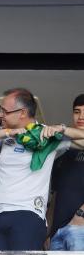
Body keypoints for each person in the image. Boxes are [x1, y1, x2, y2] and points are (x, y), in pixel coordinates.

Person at [0, 88, 84, 251]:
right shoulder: (7, 135)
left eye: (5, 111)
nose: (0, 115)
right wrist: (9, 133)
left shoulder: (45, 135)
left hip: (28, 215)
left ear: (22, 112)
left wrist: (62, 129)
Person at [48, 94, 84, 250]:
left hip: (80, 228)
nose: (81, 117)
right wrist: (48, 232)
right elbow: (55, 194)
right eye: (77, 112)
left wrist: (80, 216)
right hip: (57, 232)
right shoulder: (63, 148)